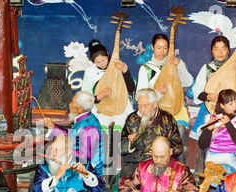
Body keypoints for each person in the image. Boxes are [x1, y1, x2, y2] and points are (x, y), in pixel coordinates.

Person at [190, 35, 236, 158]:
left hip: (234, 108)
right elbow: (197, 91)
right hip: (211, 108)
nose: (220, 52)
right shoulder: (207, 68)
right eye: (217, 49)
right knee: (208, 139)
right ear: (212, 50)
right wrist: (208, 96)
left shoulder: (235, 66)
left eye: (224, 49)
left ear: (228, 50)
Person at [136, 34, 193, 164]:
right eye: (158, 48)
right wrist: (157, 94)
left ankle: (175, 169)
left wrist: (179, 65)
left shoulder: (174, 65)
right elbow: (140, 96)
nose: (162, 51)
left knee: (178, 134)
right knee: (157, 139)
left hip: (175, 108)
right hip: (155, 112)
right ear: (152, 47)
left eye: (165, 48)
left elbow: (188, 82)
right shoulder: (146, 69)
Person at [120, 88, 183, 177]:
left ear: (154, 104)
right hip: (135, 163)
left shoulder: (167, 119)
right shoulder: (132, 119)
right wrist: (129, 142)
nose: (142, 109)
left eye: (146, 106)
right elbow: (120, 147)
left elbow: (178, 148)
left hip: (161, 163)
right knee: (128, 184)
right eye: (139, 105)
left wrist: (161, 153)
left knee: (164, 180)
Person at [81, 39, 136, 130]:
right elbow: (85, 98)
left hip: (120, 106)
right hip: (100, 109)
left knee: (117, 129)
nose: (102, 64)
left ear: (107, 54)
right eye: (98, 62)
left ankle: (116, 144)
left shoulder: (120, 65)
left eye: (104, 60)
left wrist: (124, 70)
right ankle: (104, 144)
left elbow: (131, 88)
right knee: (102, 128)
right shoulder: (90, 72)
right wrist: (98, 97)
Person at [198, 89, 236, 175]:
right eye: (231, 104)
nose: (235, 106)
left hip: (234, 161)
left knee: (226, 172)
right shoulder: (212, 119)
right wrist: (208, 129)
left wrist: (229, 125)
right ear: (222, 105)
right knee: (217, 172)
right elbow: (202, 145)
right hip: (214, 158)